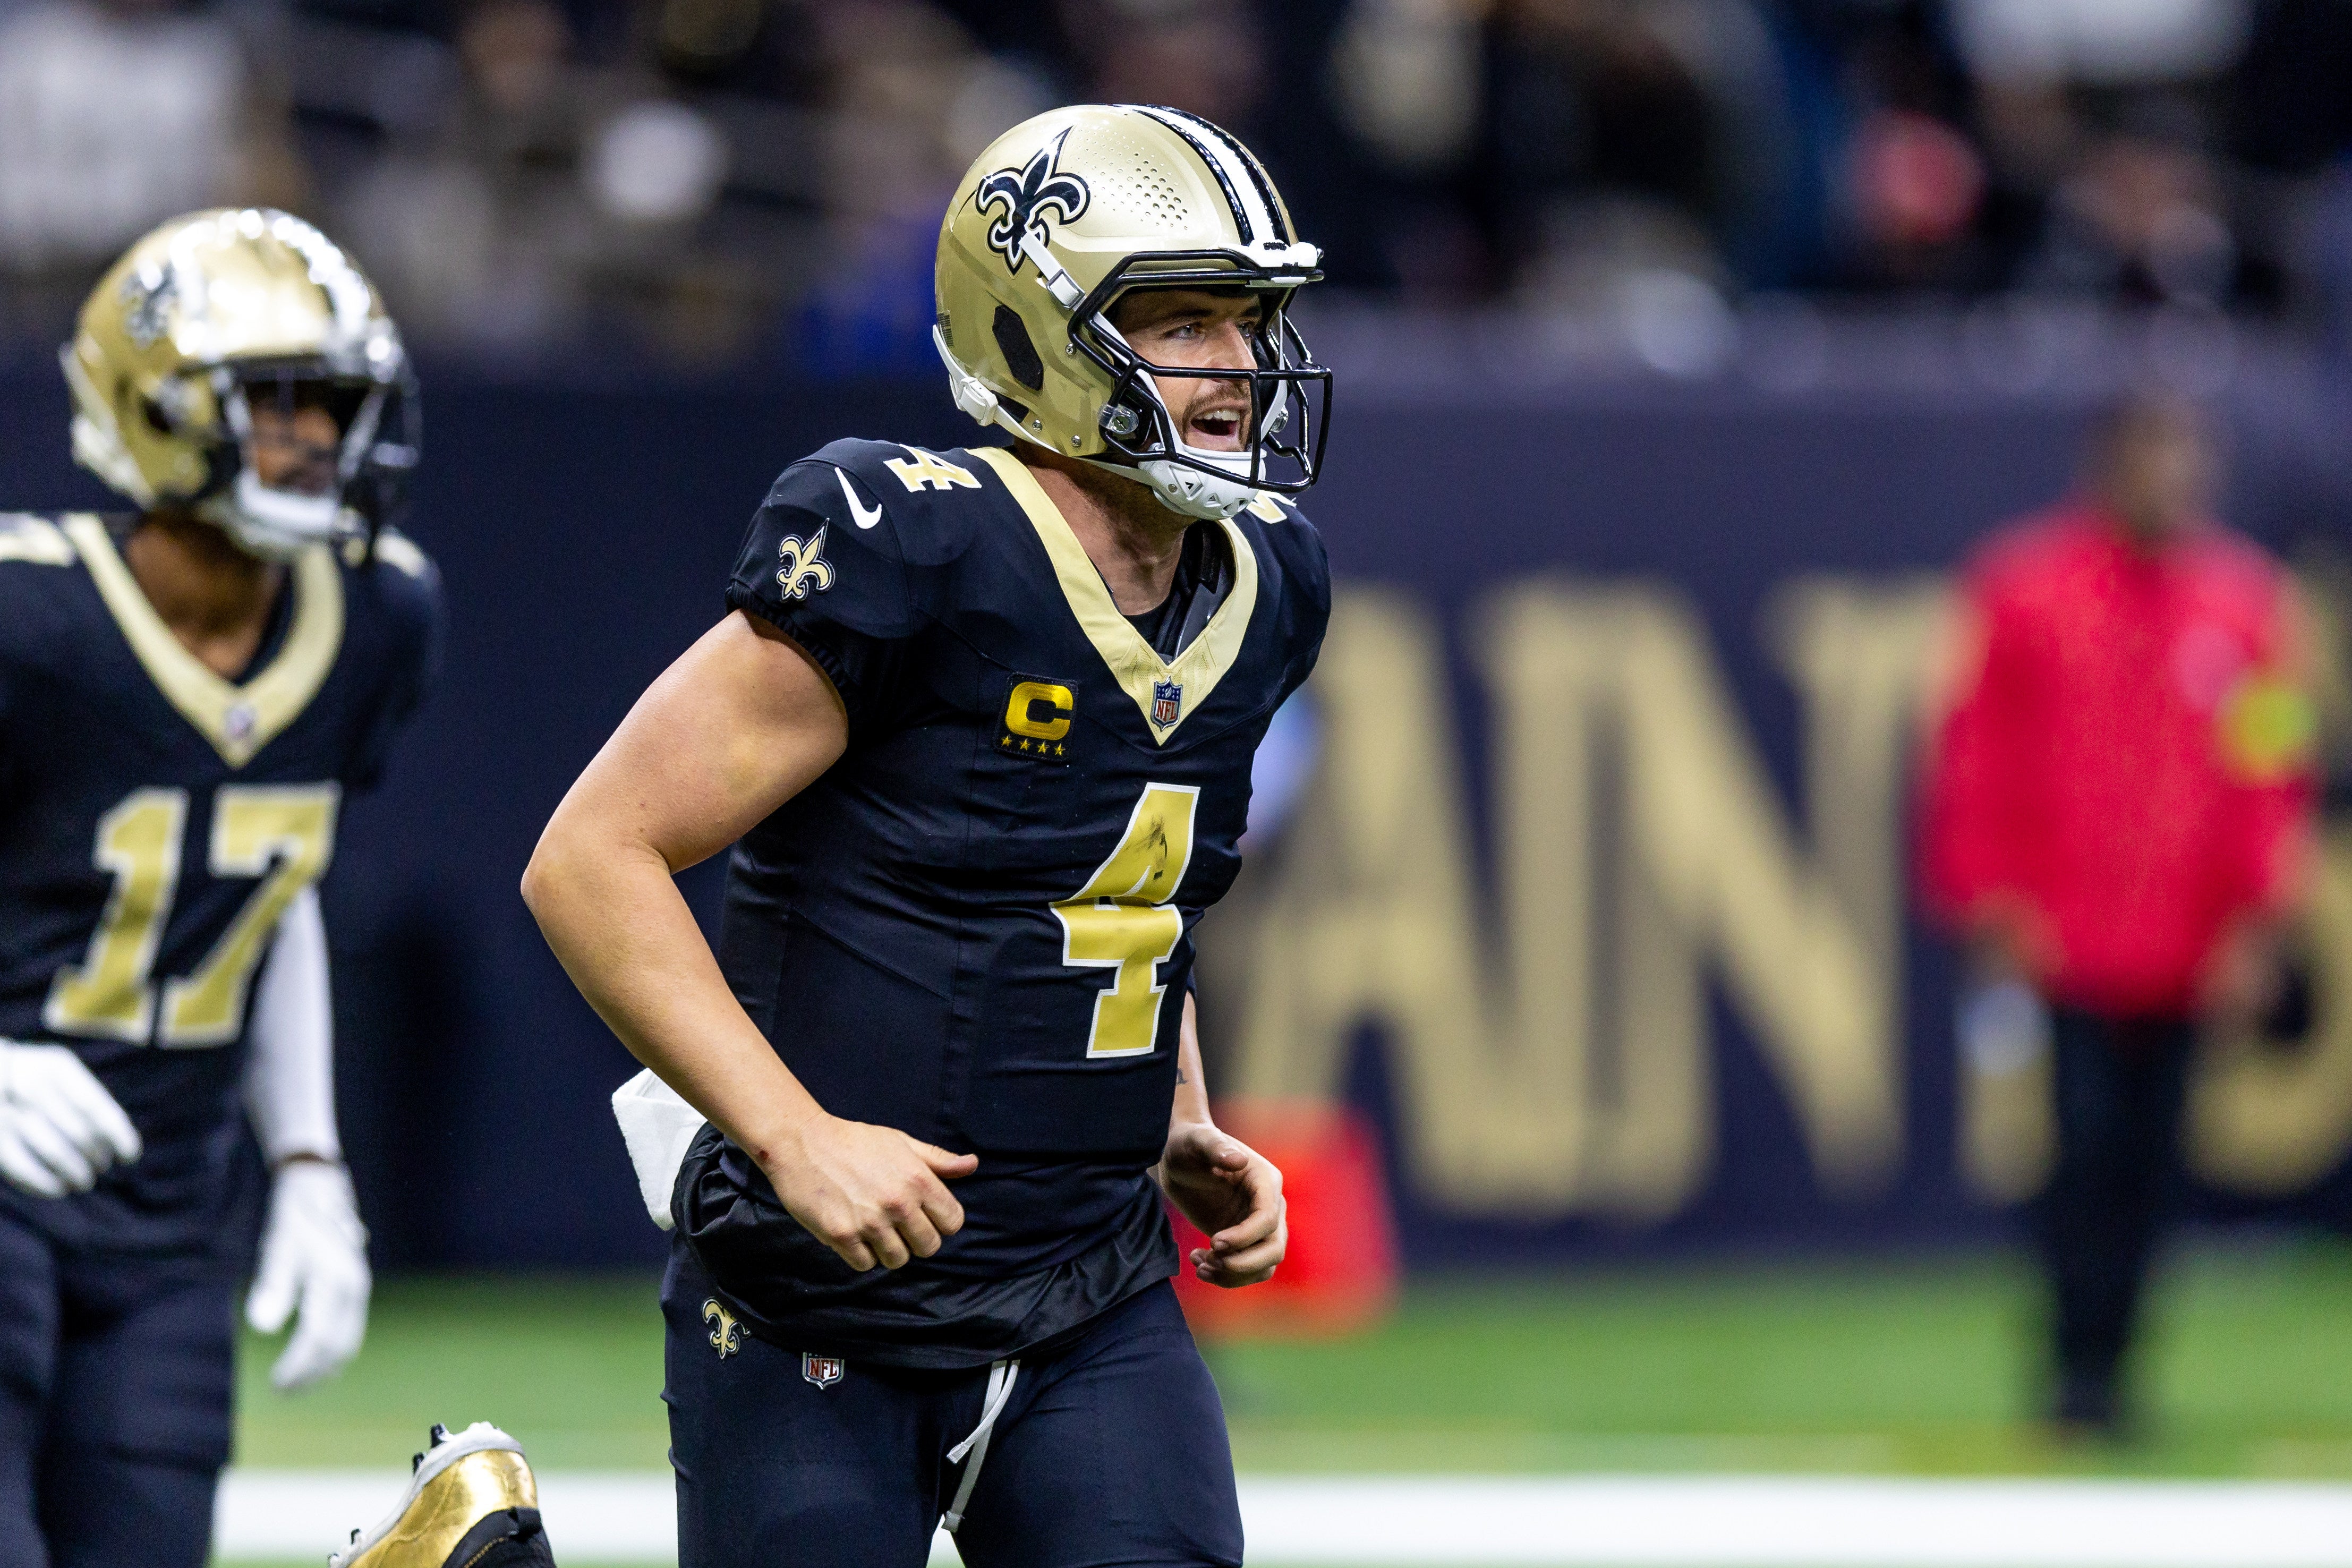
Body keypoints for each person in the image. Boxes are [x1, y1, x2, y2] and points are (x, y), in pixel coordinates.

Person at [523, 103, 1331, 1567]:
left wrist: (1175, 1114)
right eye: (1181, 322)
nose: (1237, 369)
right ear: (1039, 337)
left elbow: (1131, 879)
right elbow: (591, 858)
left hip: (1091, 1283)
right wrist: (791, 1136)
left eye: (1248, 322)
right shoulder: (917, 543)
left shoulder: (1266, 581)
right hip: (819, 1290)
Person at [0, 209, 442, 1566]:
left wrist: (310, 1163)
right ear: (154, 408)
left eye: (335, 404)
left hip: (170, 1211)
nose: (318, 439)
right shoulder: (30, 615)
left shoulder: (380, 615)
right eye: (278, 402)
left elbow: (271, 884)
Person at [1920, 393, 2317, 1435]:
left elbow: (2268, 771)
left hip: (2188, 944)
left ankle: (2122, 1371)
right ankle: (2070, 1363)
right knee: (2080, 1151)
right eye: (2157, 457)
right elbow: (1977, 756)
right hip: (2070, 939)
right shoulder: (2023, 593)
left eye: (2190, 457)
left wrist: (2256, 920)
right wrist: (1995, 903)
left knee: (2156, 1162)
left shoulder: (2246, 607)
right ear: (2107, 466)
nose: (2178, 479)